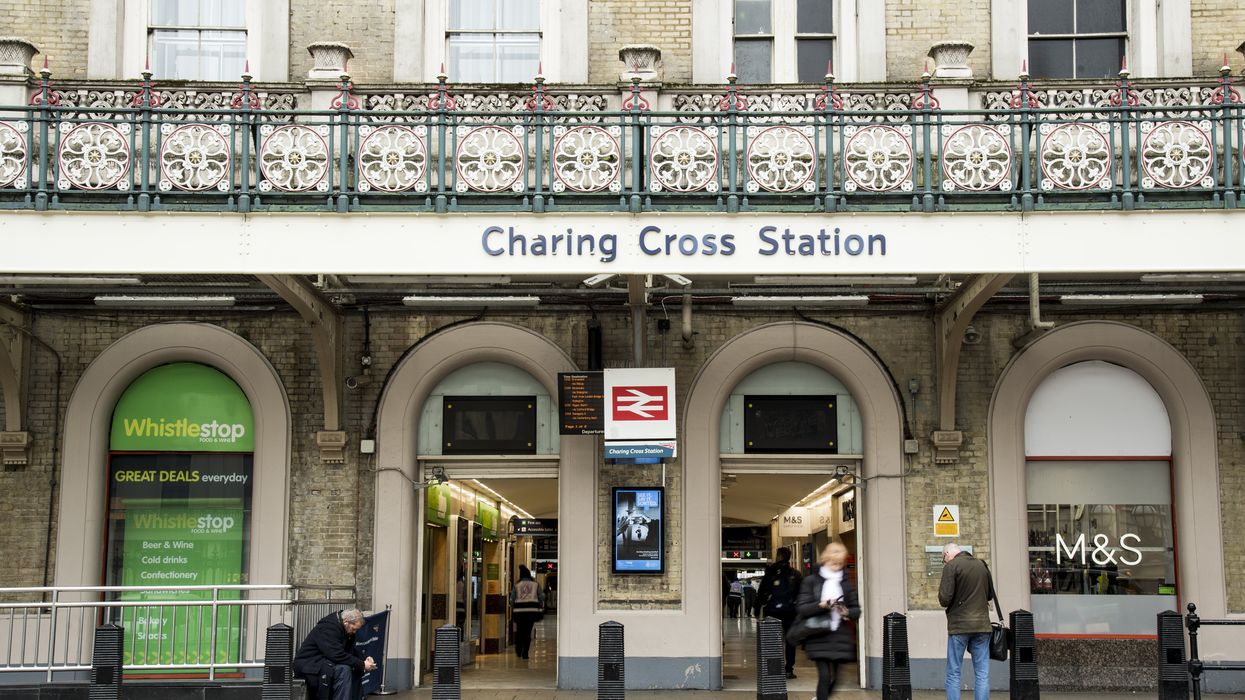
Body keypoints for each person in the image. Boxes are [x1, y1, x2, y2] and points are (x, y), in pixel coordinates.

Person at [794, 541, 860, 700]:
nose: (836, 565)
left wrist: (847, 612)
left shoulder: (845, 582)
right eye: (833, 562)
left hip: (840, 636)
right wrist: (822, 605)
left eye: (840, 563)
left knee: (837, 679)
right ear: (825, 559)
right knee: (824, 676)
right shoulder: (811, 581)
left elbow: (856, 609)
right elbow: (802, 608)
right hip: (818, 634)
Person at [938, 543, 993, 700]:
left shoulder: (951, 566)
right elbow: (989, 595)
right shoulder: (982, 565)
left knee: (954, 672)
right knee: (982, 673)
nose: (945, 561)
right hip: (982, 625)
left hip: (959, 626)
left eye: (944, 558)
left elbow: (944, 599)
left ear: (947, 554)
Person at [293, 608, 377, 700]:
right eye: (354, 629)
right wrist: (362, 664)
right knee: (344, 670)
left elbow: (349, 650)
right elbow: (336, 654)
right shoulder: (328, 628)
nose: (354, 632)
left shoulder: (343, 628)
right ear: (346, 622)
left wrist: (365, 658)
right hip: (310, 665)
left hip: (323, 662)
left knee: (351, 669)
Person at [755, 546, 803, 678]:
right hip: (790, 612)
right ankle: (789, 669)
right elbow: (802, 594)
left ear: (778, 556)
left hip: (772, 611)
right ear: (789, 557)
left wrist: (757, 608)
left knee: (773, 641)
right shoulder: (796, 574)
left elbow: (762, 592)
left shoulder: (770, 573)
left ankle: (773, 669)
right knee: (790, 641)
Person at [510, 564, 545, 659]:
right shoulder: (535, 584)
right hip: (531, 613)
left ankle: (519, 649)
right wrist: (539, 604)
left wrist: (514, 607)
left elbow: (511, 599)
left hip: (519, 613)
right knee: (527, 632)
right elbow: (542, 596)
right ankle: (525, 652)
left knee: (520, 631)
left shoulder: (517, 585)